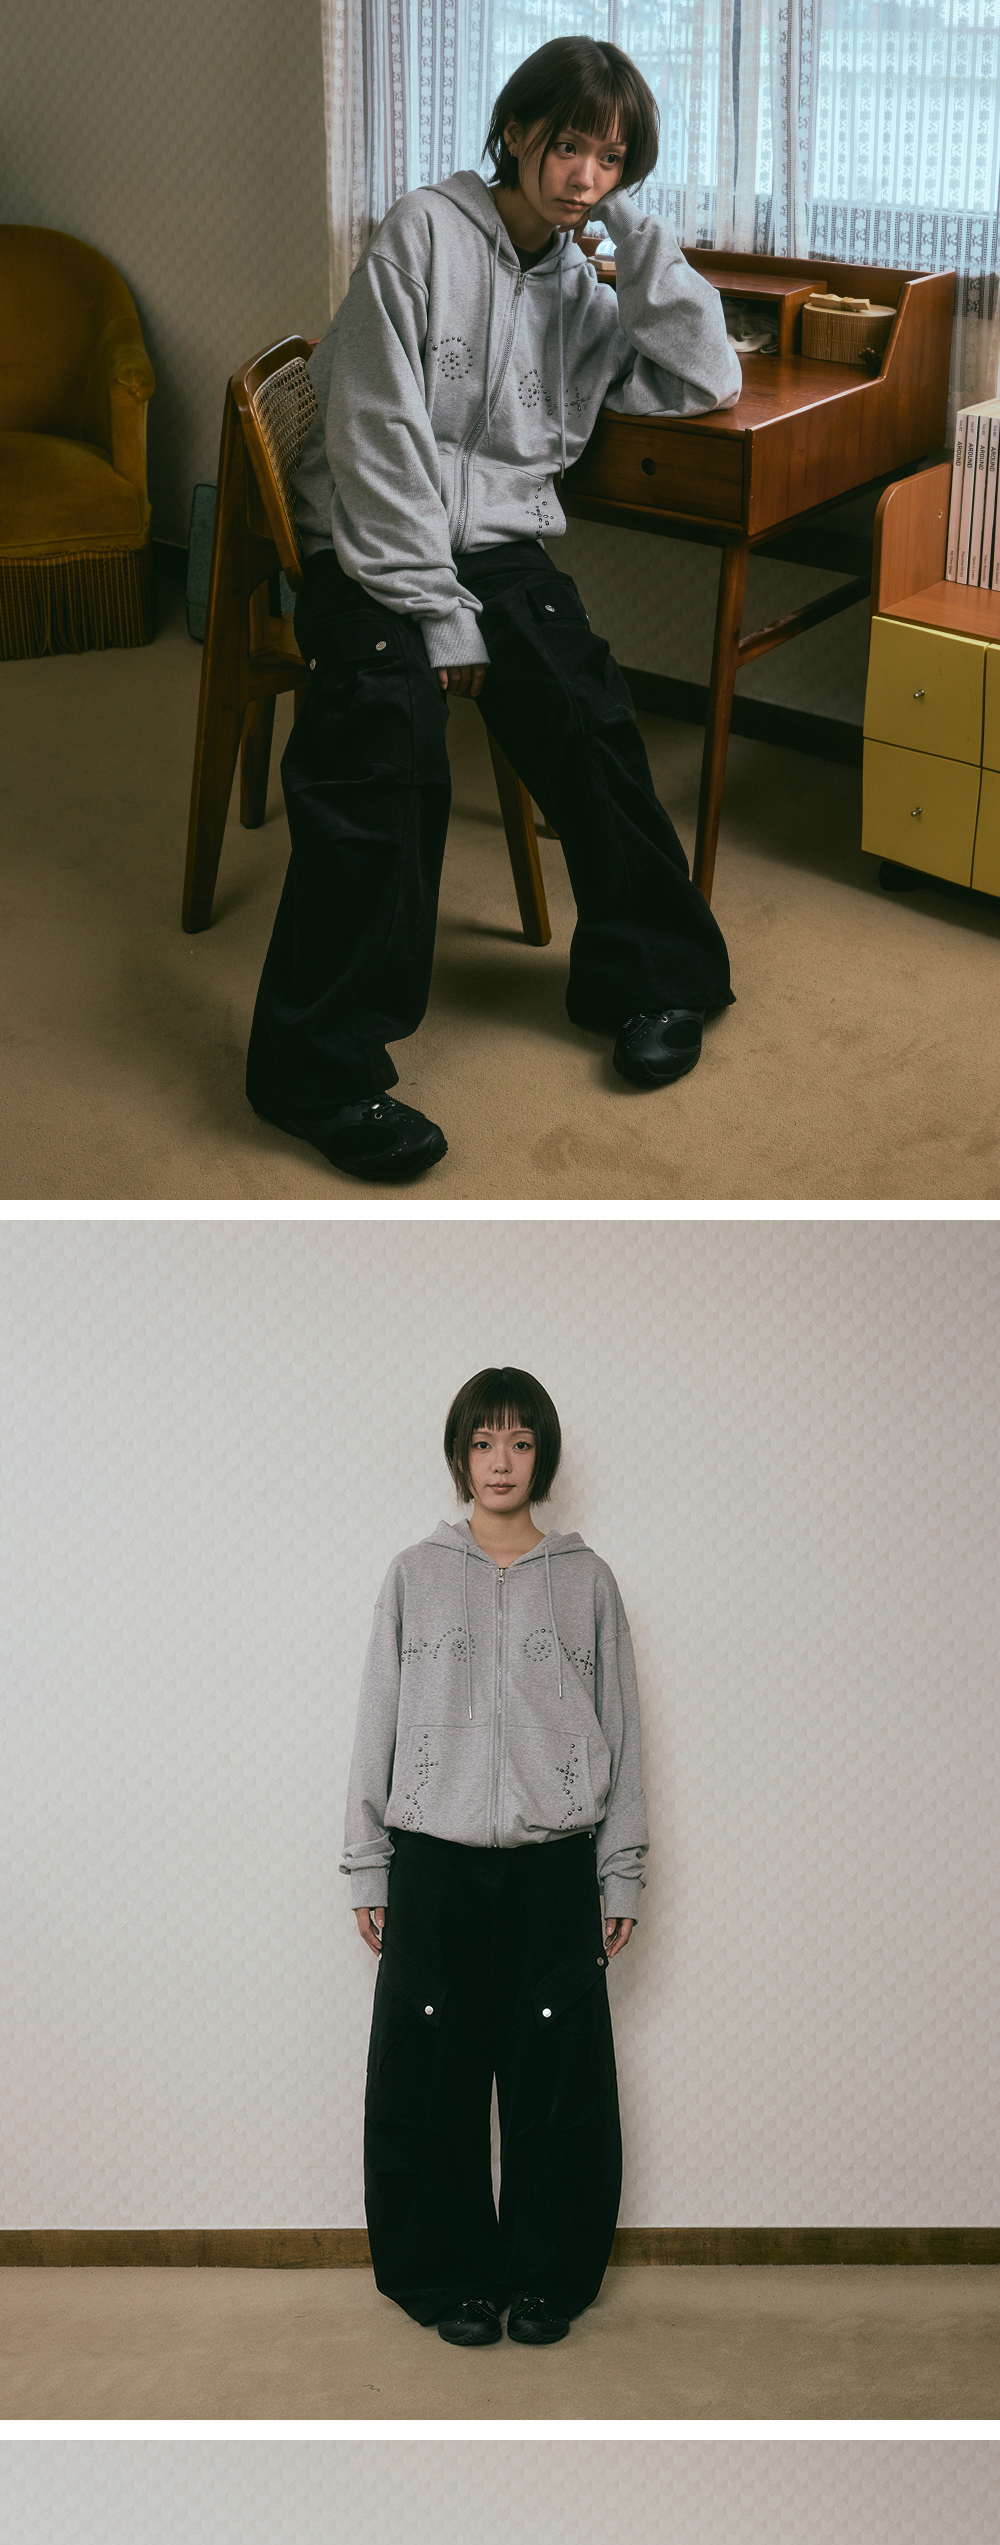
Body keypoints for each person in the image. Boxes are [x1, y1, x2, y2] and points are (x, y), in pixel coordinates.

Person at [246, 32, 740, 1182]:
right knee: (386, 732)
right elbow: (374, 431)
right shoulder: (421, 231)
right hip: (367, 546)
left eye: (610, 162)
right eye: (568, 146)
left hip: (496, 546)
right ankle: (313, 1069)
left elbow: (704, 377)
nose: (583, 178)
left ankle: (650, 977)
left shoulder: (578, 288)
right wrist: (434, 606)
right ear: (516, 132)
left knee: (584, 703)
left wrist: (643, 252)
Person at [347, 1360, 646, 2351]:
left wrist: (621, 1868)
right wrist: (368, 1862)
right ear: (460, 1455)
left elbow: (622, 1732)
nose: (501, 1460)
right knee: (429, 2081)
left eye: (519, 1441)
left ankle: (544, 2278)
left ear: (542, 1455)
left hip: (552, 1868)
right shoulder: (414, 1574)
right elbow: (377, 1724)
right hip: (432, 1863)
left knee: (557, 2083)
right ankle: (453, 2279)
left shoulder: (587, 1581)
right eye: (483, 1442)